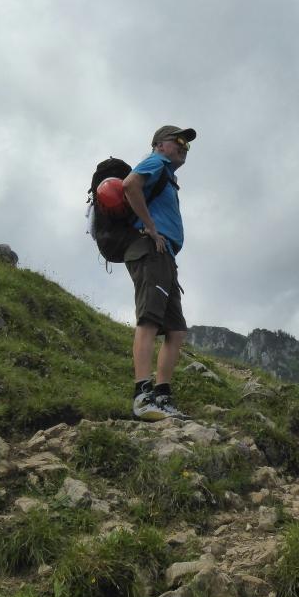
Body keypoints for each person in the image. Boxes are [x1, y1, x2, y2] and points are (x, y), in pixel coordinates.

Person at [122, 124, 196, 421]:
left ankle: (163, 397)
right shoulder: (156, 161)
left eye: (186, 145)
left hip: (164, 256)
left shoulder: (168, 175)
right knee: (150, 319)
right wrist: (151, 228)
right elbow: (129, 185)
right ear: (159, 144)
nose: (183, 147)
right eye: (178, 140)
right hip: (150, 249)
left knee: (176, 330)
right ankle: (142, 395)